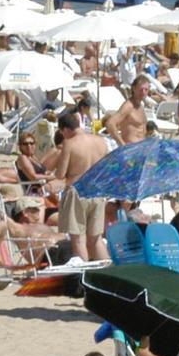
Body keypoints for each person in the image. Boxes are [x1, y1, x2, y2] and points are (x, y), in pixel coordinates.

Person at [47, 109, 112, 263]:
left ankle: (83, 276)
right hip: (97, 191)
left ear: (65, 130)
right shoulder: (101, 142)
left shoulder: (69, 144)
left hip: (77, 191)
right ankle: (108, 271)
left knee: (79, 240)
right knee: (96, 239)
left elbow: (60, 175)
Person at [107, 77, 151, 145]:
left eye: (146, 89)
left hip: (141, 148)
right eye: (141, 89)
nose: (143, 92)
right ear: (133, 88)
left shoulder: (140, 105)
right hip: (131, 149)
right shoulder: (128, 106)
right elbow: (110, 124)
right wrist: (122, 144)